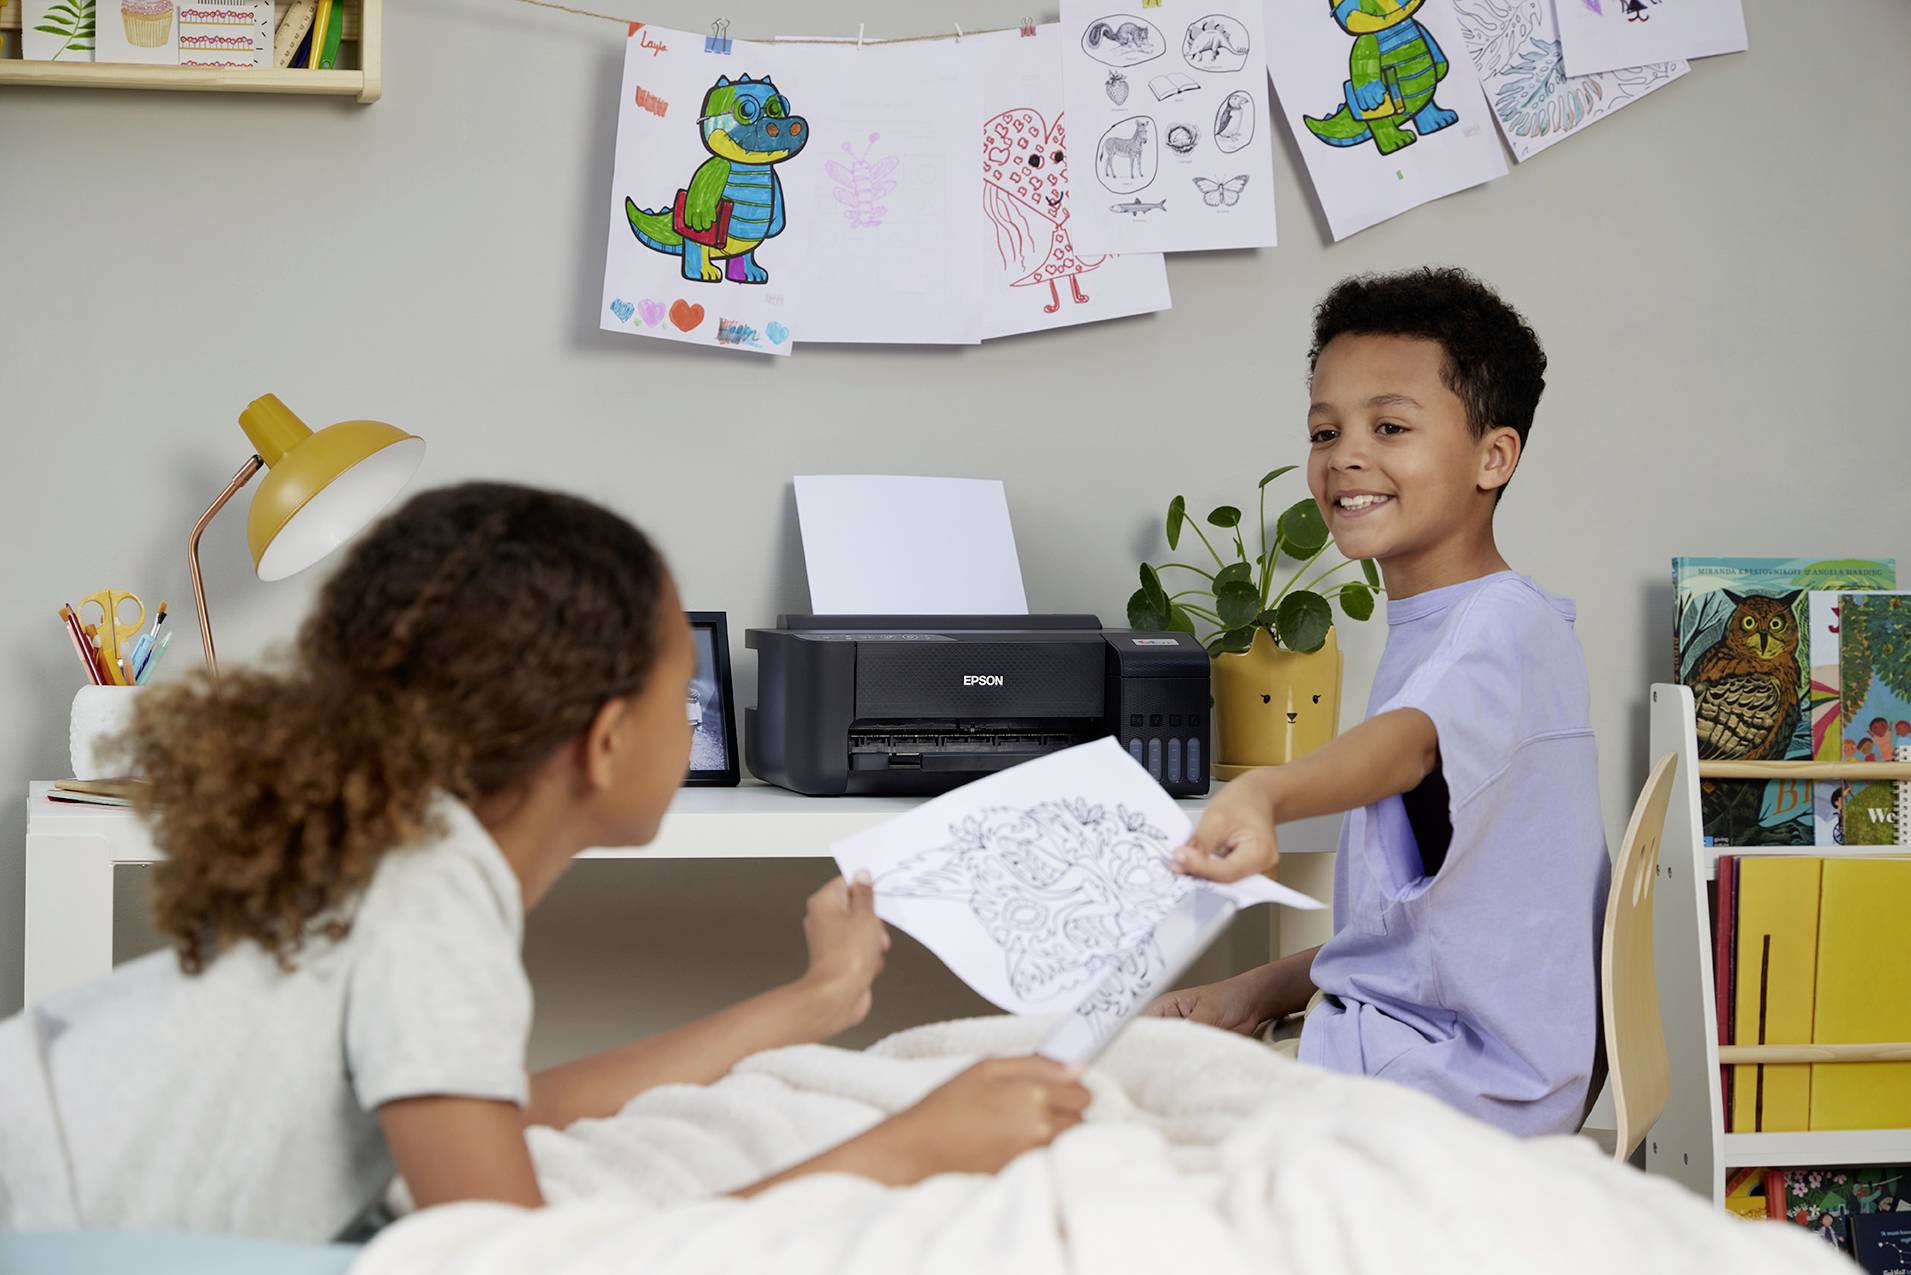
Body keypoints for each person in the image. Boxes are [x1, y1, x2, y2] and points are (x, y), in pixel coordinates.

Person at [0, 482, 1088, 1240]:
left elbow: (497, 1110)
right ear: (608, 741)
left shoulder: (413, 865)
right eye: (683, 693)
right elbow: (516, 1262)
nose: (699, 712)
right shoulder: (431, 905)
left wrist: (815, 1000)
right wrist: (907, 1150)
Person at [1152, 268, 1610, 1138]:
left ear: (1493, 456)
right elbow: (1427, 943)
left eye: (1388, 426)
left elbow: (1407, 746)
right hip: (1433, 1055)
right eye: (1326, 430)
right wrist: (1252, 989)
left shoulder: (1497, 630)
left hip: (1449, 1088)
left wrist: (1264, 791)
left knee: (1075, 1109)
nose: (1345, 455)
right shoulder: (1464, 623)